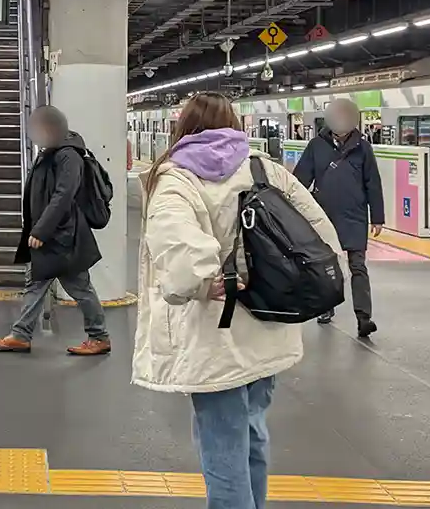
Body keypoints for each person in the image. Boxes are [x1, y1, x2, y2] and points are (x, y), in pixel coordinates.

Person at [133, 93, 342, 509]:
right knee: (252, 432)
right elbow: (319, 230)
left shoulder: (178, 177)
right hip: (269, 321)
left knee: (222, 446)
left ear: (182, 128)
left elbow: (176, 243)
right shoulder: (263, 167)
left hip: (217, 333)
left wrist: (206, 279)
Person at [0, 105, 109, 356]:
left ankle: (99, 336)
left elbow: (63, 196)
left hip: (63, 235)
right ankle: (21, 335)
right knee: (37, 282)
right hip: (53, 233)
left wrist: (41, 230)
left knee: (79, 287)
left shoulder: (68, 156)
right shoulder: (50, 151)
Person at [294, 98, 384, 338]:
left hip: (355, 214)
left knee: (358, 266)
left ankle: (364, 317)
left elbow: (372, 183)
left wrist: (378, 217)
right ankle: (326, 308)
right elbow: (301, 179)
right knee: (327, 265)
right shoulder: (315, 146)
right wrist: (293, 208)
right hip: (324, 214)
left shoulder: (363, 147)